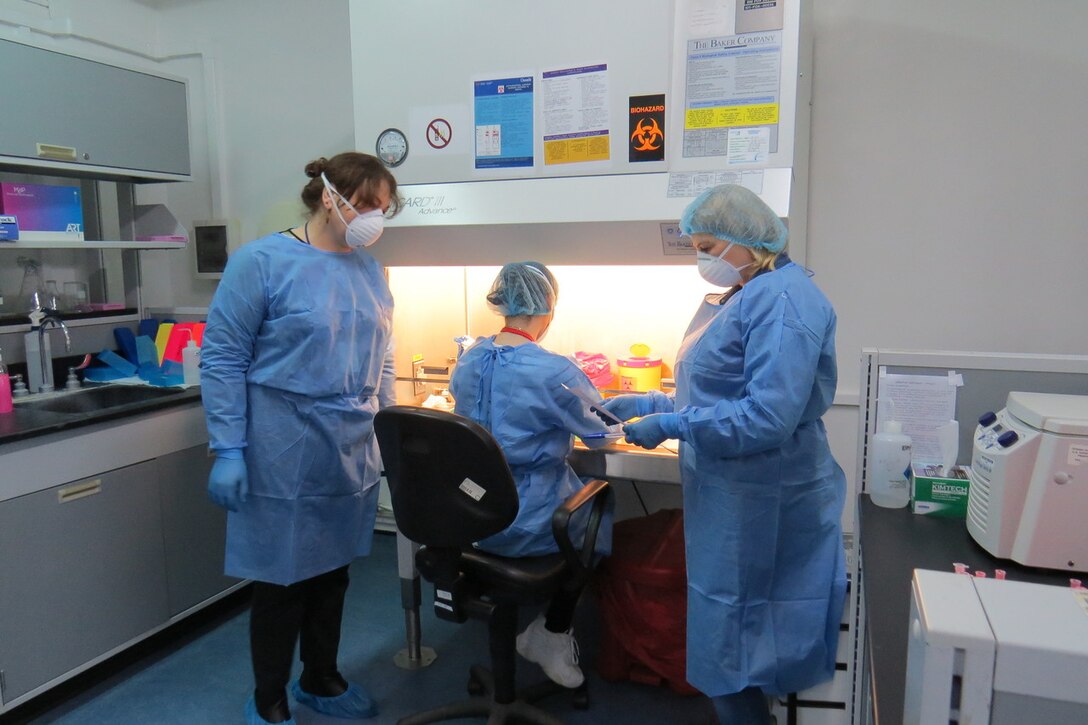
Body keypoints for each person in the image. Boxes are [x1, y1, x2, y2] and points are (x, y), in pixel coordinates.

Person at [599, 185, 847, 725]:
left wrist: (671, 424)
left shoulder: (783, 301)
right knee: (730, 633)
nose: (702, 259)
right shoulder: (746, 292)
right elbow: (719, 390)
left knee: (738, 641)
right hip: (732, 493)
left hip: (763, 495)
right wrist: (652, 400)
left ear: (746, 238)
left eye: (708, 245)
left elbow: (766, 416)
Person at [201, 152, 400, 725]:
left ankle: (321, 677)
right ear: (327, 196)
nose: (373, 219)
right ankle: (269, 696)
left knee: (333, 572)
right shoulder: (261, 262)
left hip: (349, 445)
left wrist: (387, 427)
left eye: (383, 209)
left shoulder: (371, 270)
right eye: (365, 205)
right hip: (281, 443)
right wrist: (229, 448)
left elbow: (382, 355)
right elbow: (222, 358)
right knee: (281, 578)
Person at [448, 261, 615, 690]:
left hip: (470, 513)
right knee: (602, 518)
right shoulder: (554, 371)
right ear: (548, 308)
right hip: (528, 519)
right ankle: (553, 629)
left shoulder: (469, 359)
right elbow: (601, 434)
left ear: (502, 303)